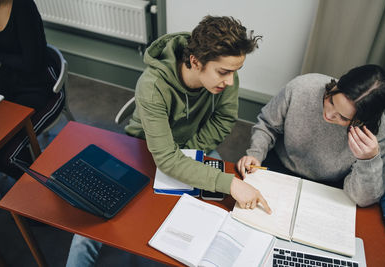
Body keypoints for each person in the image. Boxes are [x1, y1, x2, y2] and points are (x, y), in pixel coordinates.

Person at [66, 15, 271, 266]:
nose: (230, 81)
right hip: (143, 149)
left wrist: (188, 154)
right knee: (90, 225)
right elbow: (164, 157)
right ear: (195, 62)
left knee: (217, 214)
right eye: (224, 72)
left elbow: (224, 119)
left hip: (196, 145)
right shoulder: (152, 86)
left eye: (234, 72)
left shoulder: (227, 74)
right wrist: (226, 182)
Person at [237, 64, 385, 207]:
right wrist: (256, 153)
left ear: (361, 121)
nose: (329, 115)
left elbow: (364, 199)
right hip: (279, 166)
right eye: (331, 101)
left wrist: (368, 161)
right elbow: (267, 124)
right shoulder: (302, 87)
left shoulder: (375, 133)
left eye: (343, 117)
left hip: (331, 187)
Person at [0, 0, 58, 178]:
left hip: (42, 86)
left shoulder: (22, 5)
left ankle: (34, 189)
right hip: (7, 82)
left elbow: (31, 64)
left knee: (8, 155)